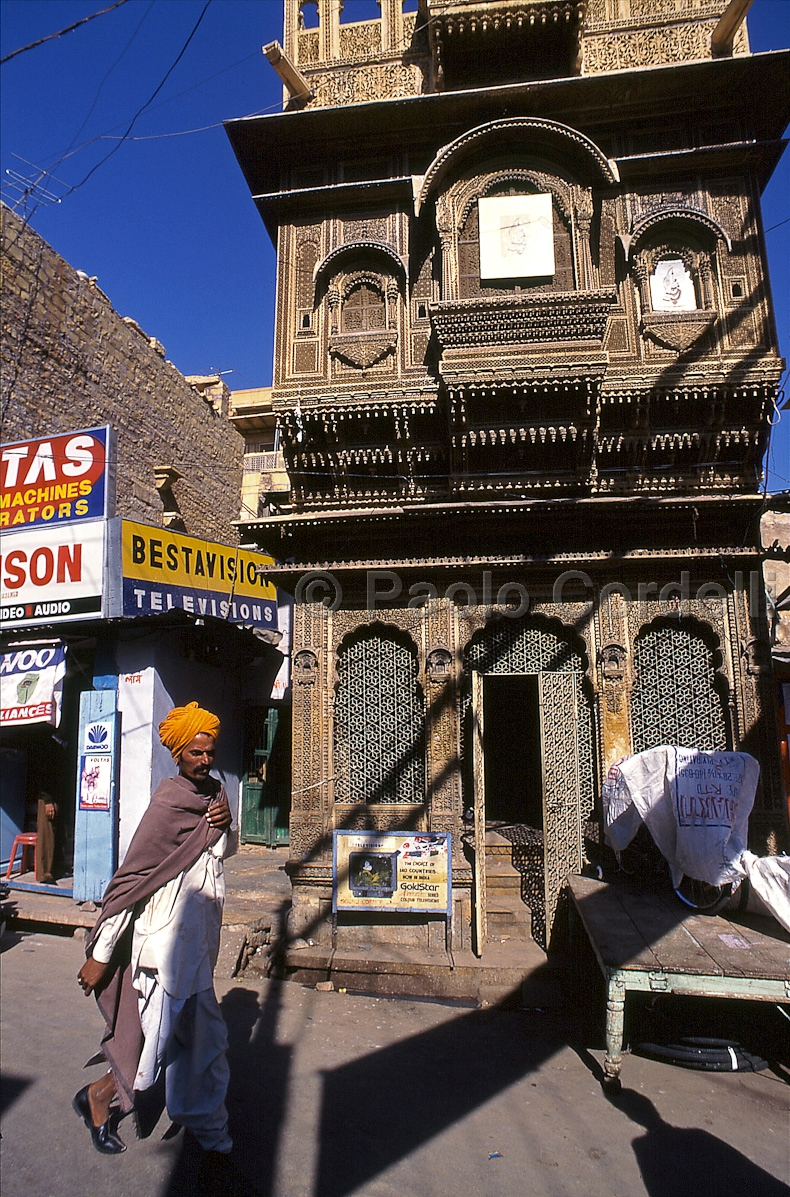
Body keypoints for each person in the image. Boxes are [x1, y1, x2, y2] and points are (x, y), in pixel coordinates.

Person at [74, 701, 244, 1193]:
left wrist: (226, 822)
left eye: (210, 752)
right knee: (166, 1048)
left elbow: (220, 851)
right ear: (177, 753)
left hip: (197, 949)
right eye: (196, 752)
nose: (205, 760)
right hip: (163, 950)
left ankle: (107, 1099)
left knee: (170, 1046)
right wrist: (100, 954)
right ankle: (212, 1147)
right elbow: (133, 883)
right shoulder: (167, 804)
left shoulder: (214, 794)